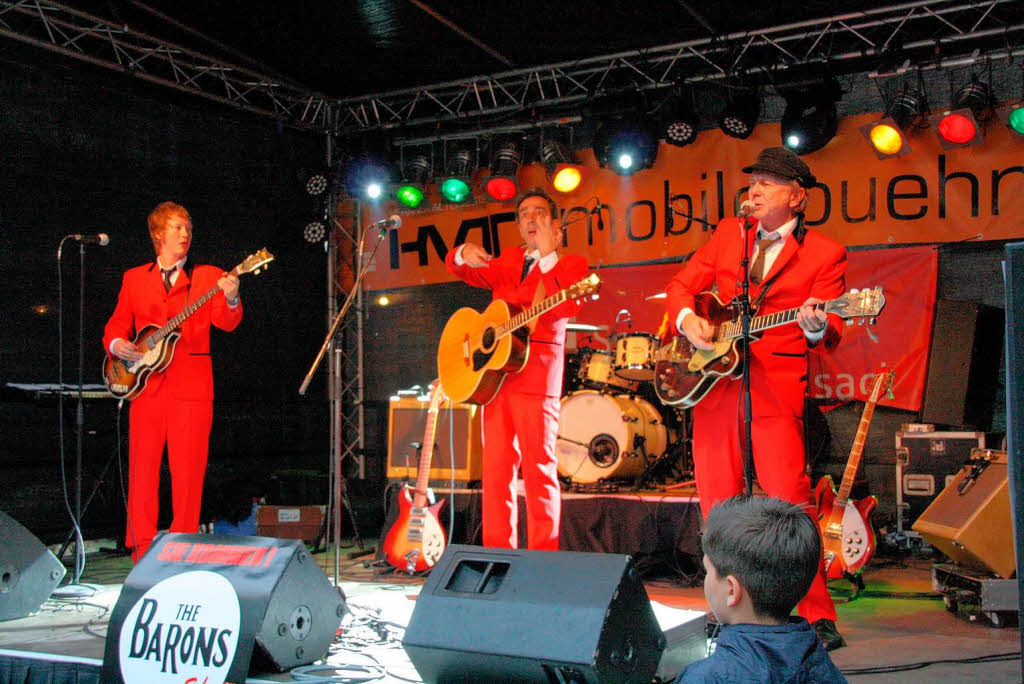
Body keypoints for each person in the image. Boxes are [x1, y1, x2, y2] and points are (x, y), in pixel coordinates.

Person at [665, 146, 848, 650]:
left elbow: (830, 327)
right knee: (717, 497)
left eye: (769, 181)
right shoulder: (729, 234)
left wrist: (814, 327)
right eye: (754, 181)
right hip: (717, 381)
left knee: (789, 495)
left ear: (797, 198)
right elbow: (681, 287)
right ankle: (726, 607)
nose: (757, 188)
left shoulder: (826, 253)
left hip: (774, 383)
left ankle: (814, 612)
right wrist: (691, 322)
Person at [445, 188, 589, 550]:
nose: (530, 219)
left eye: (539, 213)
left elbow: (569, 304)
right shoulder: (507, 260)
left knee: (539, 471)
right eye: (524, 214)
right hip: (494, 379)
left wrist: (547, 257)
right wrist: (464, 251)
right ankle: (499, 555)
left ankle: (543, 558)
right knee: (495, 474)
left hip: (536, 378)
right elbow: (458, 268)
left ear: (556, 225)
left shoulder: (571, 265)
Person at [103, 201, 242, 562]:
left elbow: (226, 323)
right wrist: (121, 346)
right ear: (157, 234)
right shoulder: (135, 278)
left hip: (191, 389)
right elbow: (118, 325)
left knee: (188, 474)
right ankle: (141, 550)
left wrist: (231, 297)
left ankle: (184, 551)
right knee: (142, 471)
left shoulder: (208, 274)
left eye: (188, 228)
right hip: (145, 388)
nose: (185, 234)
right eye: (177, 227)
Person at [676, 496, 847, 683]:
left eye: (708, 571)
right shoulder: (822, 665)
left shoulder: (703, 677)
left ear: (731, 590)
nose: (705, 580)